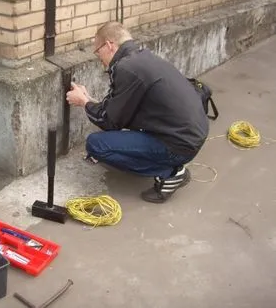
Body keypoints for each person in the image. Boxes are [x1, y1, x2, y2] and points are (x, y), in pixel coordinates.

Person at [66, 22, 209, 204]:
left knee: (97, 145)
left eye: (97, 51)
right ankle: (169, 163)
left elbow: (109, 121)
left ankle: (170, 173)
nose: (98, 57)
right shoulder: (141, 58)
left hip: (180, 144)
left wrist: (83, 102)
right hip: (191, 134)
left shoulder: (125, 68)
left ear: (109, 45)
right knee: (120, 135)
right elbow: (119, 109)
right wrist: (89, 99)